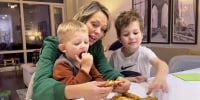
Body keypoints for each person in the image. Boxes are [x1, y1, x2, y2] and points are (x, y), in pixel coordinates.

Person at [32, 1, 130, 100]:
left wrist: (119, 79)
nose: (98, 32)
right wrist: (81, 90)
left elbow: (104, 69)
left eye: (103, 30)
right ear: (81, 21)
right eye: (94, 24)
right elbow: (39, 88)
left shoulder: (96, 45)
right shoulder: (53, 45)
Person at [109, 10, 168, 95]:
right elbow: (109, 78)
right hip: (120, 95)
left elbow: (161, 64)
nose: (131, 37)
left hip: (142, 94)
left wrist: (161, 77)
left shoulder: (145, 53)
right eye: (126, 34)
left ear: (142, 34)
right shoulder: (115, 56)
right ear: (119, 39)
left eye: (135, 33)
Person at [53, 20, 104, 84]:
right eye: (77, 43)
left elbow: (98, 78)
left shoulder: (86, 60)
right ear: (63, 48)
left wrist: (102, 85)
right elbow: (71, 90)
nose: (83, 46)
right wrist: (85, 69)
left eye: (86, 42)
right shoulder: (61, 65)